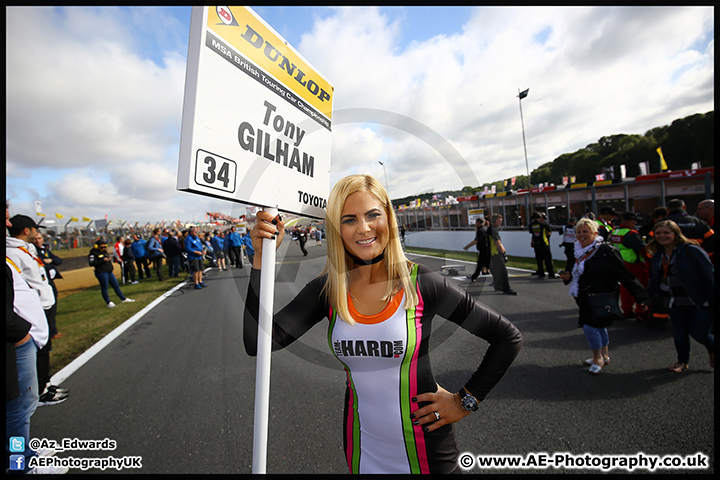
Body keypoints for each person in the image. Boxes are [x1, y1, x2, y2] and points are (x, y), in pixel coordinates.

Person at [243, 174, 522, 474]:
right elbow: (256, 342)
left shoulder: (422, 284)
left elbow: (507, 337)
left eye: (373, 214)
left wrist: (464, 401)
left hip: (428, 455)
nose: (363, 228)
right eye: (349, 219)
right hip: (363, 452)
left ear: (388, 218)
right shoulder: (327, 290)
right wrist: (261, 259)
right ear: (337, 229)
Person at [5, 207, 68, 474]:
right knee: (19, 406)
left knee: (23, 405)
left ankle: (24, 452)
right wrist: (21, 333)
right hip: (18, 335)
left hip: (26, 329)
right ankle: (21, 464)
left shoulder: (23, 250)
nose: (7, 221)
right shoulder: (13, 251)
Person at [558, 219, 649, 374]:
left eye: (585, 231)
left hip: (601, 296)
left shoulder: (606, 251)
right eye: (579, 232)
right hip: (584, 296)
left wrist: (641, 297)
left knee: (589, 327)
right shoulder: (578, 250)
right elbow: (575, 272)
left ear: (595, 233)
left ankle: (597, 358)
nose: (581, 235)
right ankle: (604, 355)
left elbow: (626, 275)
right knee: (599, 327)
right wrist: (567, 277)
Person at [7, 215, 69, 407]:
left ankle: (45, 382)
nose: (37, 232)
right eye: (35, 228)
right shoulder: (12, 252)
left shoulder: (27, 249)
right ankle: (39, 390)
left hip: (45, 301)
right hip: (35, 307)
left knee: (46, 347)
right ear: (27, 230)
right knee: (39, 348)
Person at [645, 220, 714, 373]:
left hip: (698, 300)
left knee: (699, 333)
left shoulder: (691, 251)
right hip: (674, 300)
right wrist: (645, 298)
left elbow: (709, 275)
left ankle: (712, 348)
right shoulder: (658, 255)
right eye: (659, 233)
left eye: (666, 233)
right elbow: (654, 279)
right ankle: (682, 361)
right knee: (680, 333)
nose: (662, 236)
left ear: (675, 234)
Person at [609, 212, 649, 320]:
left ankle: (627, 309)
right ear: (629, 221)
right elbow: (642, 249)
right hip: (634, 263)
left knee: (625, 287)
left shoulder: (616, 231)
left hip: (622, 261)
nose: (636, 223)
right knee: (640, 286)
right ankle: (641, 310)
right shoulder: (631, 234)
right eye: (634, 220)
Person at [33, 232, 64, 339]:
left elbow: (58, 260)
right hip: (41, 282)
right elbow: (40, 263)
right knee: (45, 308)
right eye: (35, 238)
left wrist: (50, 261)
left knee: (53, 304)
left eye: (40, 238)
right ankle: (48, 333)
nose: (38, 240)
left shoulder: (45, 250)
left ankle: (53, 331)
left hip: (49, 282)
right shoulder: (33, 251)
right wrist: (48, 264)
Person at [88, 239, 135, 307]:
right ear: (96, 246)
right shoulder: (93, 254)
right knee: (105, 287)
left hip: (109, 271)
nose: (103, 248)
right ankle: (108, 302)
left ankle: (123, 298)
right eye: (101, 247)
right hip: (101, 272)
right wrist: (102, 260)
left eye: (104, 247)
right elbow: (91, 263)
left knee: (116, 285)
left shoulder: (104, 252)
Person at [487, 214, 517, 295]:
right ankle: (506, 289)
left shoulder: (488, 229)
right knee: (503, 271)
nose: (500, 222)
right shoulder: (493, 230)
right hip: (496, 253)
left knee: (496, 271)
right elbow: (498, 243)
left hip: (490, 253)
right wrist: (504, 252)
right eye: (499, 221)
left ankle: (498, 286)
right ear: (494, 221)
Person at [529, 211, 556, 278]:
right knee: (548, 260)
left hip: (536, 243)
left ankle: (541, 273)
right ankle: (551, 274)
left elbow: (531, 233)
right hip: (544, 243)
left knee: (539, 259)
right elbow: (549, 232)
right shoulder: (543, 224)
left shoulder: (531, 225)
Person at [463, 217, 490, 282]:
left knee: (481, 264)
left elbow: (476, 240)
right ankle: (474, 277)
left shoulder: (480, 230)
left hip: (483, 250)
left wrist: (467, 246)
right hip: (488, 249)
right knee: (482, 264)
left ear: (478, 223)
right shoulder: (486, 228)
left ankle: (474, 277)